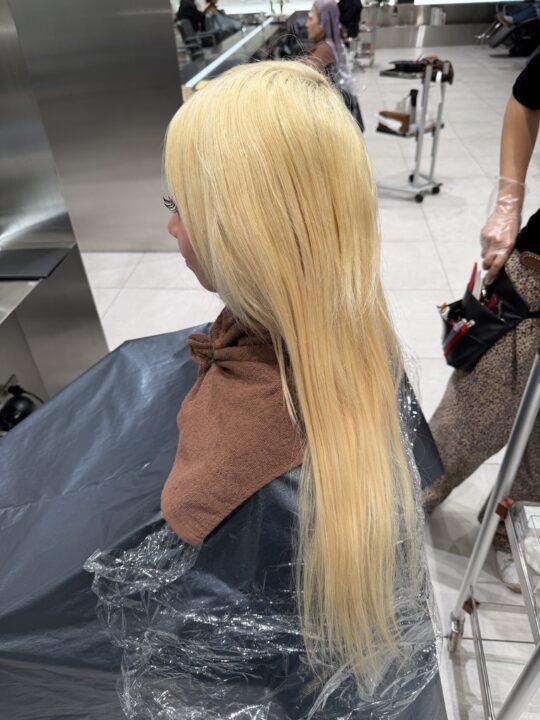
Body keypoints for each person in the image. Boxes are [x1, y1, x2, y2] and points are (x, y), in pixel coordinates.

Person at [87, 62, 445, 717]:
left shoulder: (258, 473)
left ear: (243, 234)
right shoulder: (354, 339)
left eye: (178, 207)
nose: (171, 227)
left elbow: (210, 649)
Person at [424, 52, 540, 591]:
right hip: (537, 279)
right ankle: (411, 499)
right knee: (470, 417)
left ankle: (509, 530)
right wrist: (509, 201)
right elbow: (526, 95)